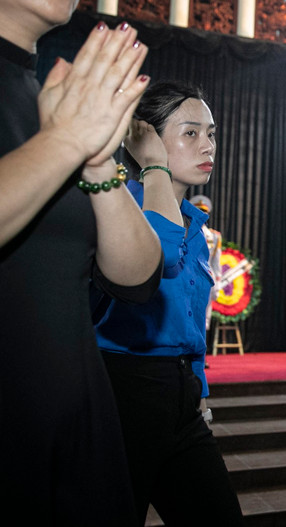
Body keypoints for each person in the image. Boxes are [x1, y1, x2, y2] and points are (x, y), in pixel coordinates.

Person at [0, 5, 163, 523]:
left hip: (75, 428)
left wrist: (97, 162)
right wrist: (66, 140)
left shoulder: (46, 100)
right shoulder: (63, 126)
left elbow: (137, 278)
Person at [92, 80, 244, 526]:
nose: (208, 145)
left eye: (211, 133)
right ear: (147, 140)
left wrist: (199, 392)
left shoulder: (196, 226)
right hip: (124, 393)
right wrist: (153, 167)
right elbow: (155, 260)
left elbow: (190, 323)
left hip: (181, 396)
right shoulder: (118, 208)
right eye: (190, 133)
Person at [190, 194, 223, 332]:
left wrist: (217, 284)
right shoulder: (187, 232)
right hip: (190, 276)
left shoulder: (214, 236)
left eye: (204, 212)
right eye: (198, 211)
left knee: (204, 318)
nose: (201, 214)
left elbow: (216, 262)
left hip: (207, 277)